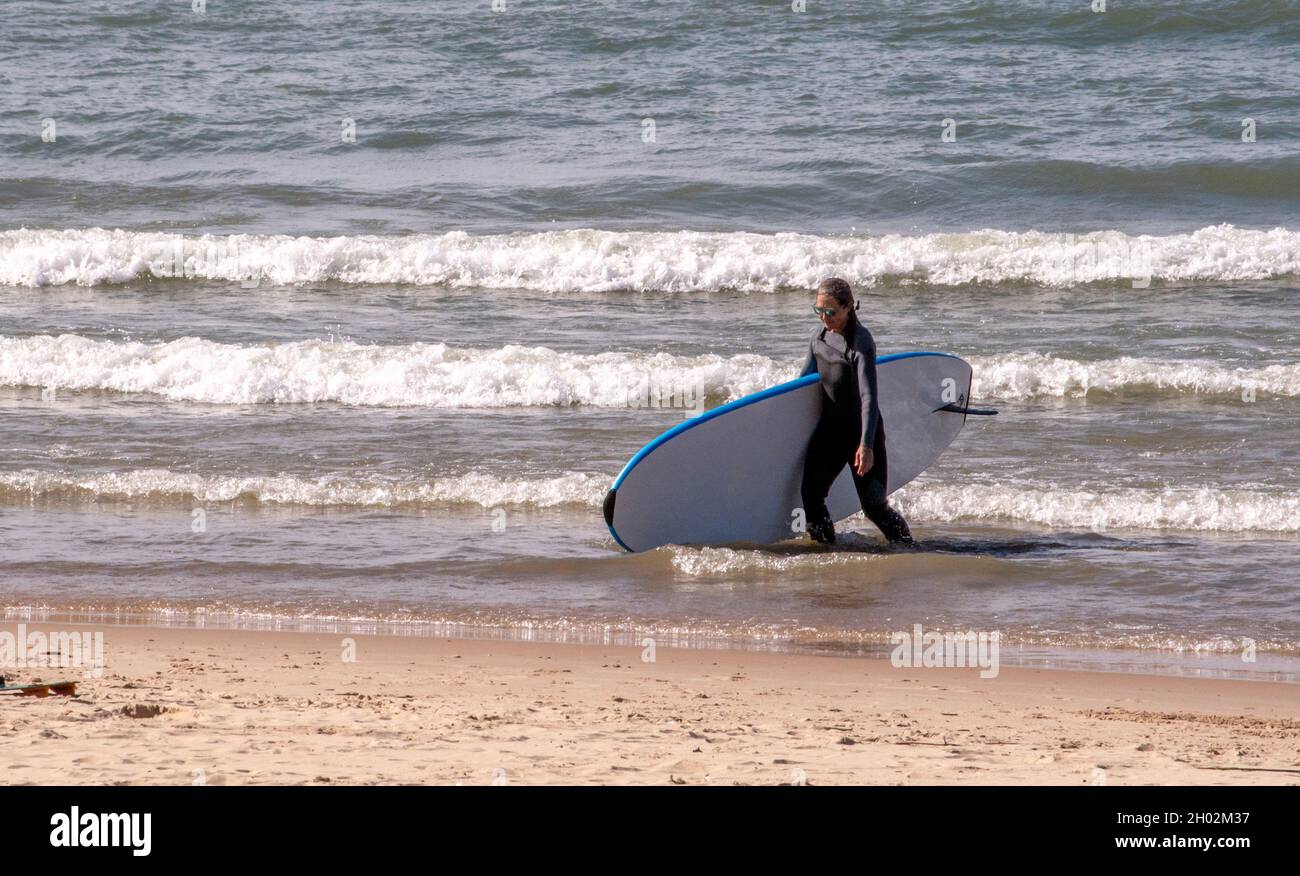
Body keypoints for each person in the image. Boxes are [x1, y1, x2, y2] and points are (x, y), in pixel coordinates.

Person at [798, 278, 914, 545]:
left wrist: (866, 444)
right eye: (819, 311)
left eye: (831, 312)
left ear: (849, 307)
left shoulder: (861, 342)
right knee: (811, 496)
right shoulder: (818, 337)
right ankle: (826, 550)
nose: (825, 318)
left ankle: (908, 550)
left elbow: (868, 396)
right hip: (829, 432)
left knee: (874, 508)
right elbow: (801, 383)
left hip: (861, 433)